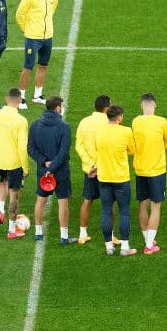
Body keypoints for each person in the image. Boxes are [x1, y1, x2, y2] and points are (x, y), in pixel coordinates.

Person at [28, 96, 75, 244]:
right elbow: (63, 152)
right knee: (62, 202)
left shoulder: (35, 125)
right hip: (60, 170)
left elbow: (31, 149)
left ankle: (38, 232)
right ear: (58, 108)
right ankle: (64, 236)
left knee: (40, 200)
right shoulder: (64, 127)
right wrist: (53, 166)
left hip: (43, 170)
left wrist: (45, 163)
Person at [132, 93, 167, 254]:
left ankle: (148, 238)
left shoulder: (135, 121)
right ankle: (149, 245)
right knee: (156, 206)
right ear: (155, 104)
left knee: (143, 203)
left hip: (140, 169)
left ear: (142, 105)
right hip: (157, 170)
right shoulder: (162, 122)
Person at [95, 104, 137, 256]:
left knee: (106, 211)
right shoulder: (126, 131)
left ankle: (109, 247)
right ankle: (125, 247)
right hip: (120, 178)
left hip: (104, 177)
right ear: (119, 117)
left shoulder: (99, 131)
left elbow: (97, 148)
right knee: (124, 212)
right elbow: (132, 150)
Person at [0, 88, 30, 238]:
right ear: (20, 101)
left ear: (6, 99)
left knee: (3, 180)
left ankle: (0, 210)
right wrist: (25, 168)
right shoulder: (21, 121)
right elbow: (22, 147)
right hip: (14, 162)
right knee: (14, 194)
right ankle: (12, 230)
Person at [16, 0, 58, 107]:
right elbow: (19, 15)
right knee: (27, 67)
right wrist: (26, 30)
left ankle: (37, 95)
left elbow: (51, 12)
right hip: (32, 38)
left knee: (43, 66)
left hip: (48, 37)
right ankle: (21, 97)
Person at [75, 95, 111, 244]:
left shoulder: (84, 122)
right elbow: (110, 146)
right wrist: (99, 165)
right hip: (106, 169)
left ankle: (82, 233)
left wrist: (91, 165)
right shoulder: (110, 123)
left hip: (90, 170)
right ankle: (110, 235)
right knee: (108, 203)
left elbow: (79, 146)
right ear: (107, 108)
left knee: (87, 200)